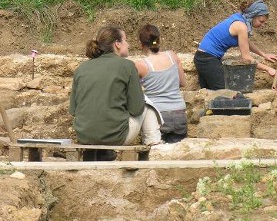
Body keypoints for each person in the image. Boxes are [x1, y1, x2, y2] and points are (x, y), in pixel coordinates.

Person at [69, 25, 161, 160]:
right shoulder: (127, 66)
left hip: (84, 136)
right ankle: (155, 150)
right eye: (125, 40)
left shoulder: (81, 69)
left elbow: (73, 110)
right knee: (148, 104)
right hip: (116, 136)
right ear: (117, 44)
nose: (128, 45)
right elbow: (137, 109)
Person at [193, 0, 277, 90]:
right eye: (261, 21)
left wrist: (264, 54)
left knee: (213, 94)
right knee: (225, 92)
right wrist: (268, 69)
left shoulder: (240, 18)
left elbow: (246, 42)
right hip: (206, 60)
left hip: (205, 58)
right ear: (253, 15)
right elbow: (246, 58)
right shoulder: (241, 27)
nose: (262, 25)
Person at [135, 24, 188, 143]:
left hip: (157, 117)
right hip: (179, 113)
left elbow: (135, 92)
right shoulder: (172, 56)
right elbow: (183, 83)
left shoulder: (141, 65)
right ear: (159, 40)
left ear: (141, 44)